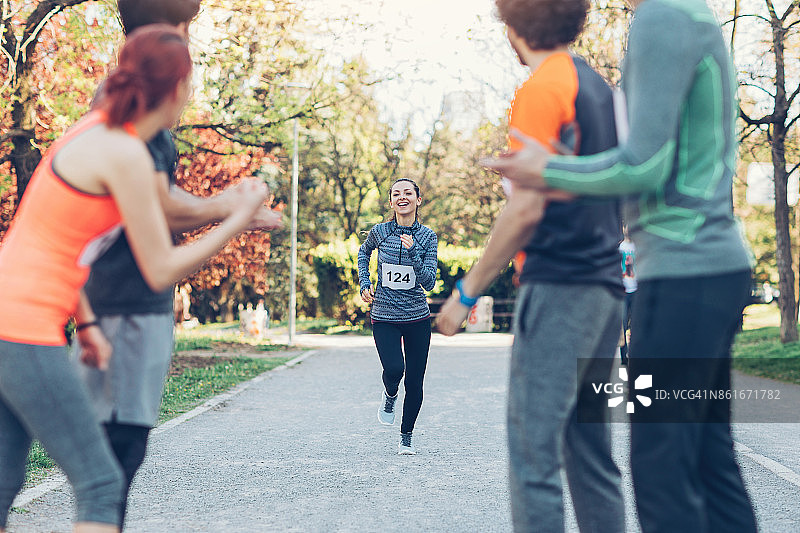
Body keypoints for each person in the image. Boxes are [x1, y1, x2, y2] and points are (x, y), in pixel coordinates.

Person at [481, 0, 758, 531]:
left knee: (662, 469)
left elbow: (646, 165)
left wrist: (549, 169)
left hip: (684, 268)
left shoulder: (663, 16)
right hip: (706, 267)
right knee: (707, 463)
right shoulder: (688, 14)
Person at [0, 26, 268, 533]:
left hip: (11, 313)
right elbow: (161, 267)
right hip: (21, 329)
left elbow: (53, 242)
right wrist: (237, 217)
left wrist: (89, 323)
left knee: (3, 483)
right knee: (100, 486)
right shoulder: (124, 154)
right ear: (175, 90)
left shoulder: (93, 131)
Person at [76, 0, 282, 527]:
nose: (190, 37)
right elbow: (159, 209)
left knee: (110, 463)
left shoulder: (123, 94)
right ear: (171, 28)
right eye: (187, 25)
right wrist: (232, 210)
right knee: (113, 463)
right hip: (123, 302)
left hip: (118, 303)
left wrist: (230, 208)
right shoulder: (134, 105)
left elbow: (157, 199)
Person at [437, 2, 625, 531]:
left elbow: (526, 206)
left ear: (512, 26)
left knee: (533, 451)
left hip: (562, 286)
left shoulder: (543, 89)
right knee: (590, 455)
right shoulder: (599, 90)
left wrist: (466, 294)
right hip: (605, 290)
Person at [357, 178, 438, 455]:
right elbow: (363, 251)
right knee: (394, 370)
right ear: (391, 202)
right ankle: (390, 394)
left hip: (417, 317)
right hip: (385, 315)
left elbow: (428, 282)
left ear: (418, 200)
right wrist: (364, 281)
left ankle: (406, 436)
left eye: (407, 193)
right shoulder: (380, 232)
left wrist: (413, 250)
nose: (402, 197)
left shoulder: (428, 237)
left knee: (415, 381)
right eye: (396, 194)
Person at [619, 233, 636, 364]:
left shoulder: (638, 244)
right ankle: (624, 357)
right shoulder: (620, 247)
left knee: (636, 323)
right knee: (624, 324)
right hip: (624, 290)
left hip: (636, 289)